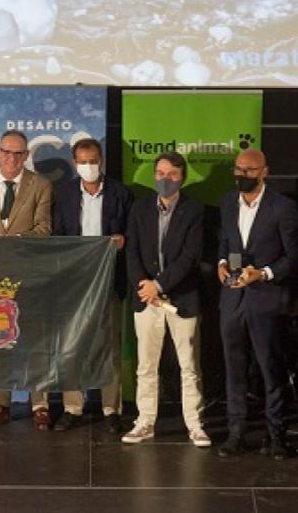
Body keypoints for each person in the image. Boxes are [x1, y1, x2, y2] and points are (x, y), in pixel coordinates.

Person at [215, 149, 298, 460]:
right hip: (232, 299)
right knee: (234, 369)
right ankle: (236, 432)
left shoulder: (283, 207)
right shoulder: (227, 202)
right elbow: (225, 242)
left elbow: (293, 258)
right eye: (238, 169)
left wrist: (263, 274)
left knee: (271, 369)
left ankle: (276, 433)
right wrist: (222, 263)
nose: (242, 175)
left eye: (249, 170)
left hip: (266, 299)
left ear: (264, 171)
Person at [120, 152, 210, 448]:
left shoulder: (194, 211)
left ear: (182, 177)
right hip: (147, 300)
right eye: (159, 173)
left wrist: (159, 284)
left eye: (171, 174)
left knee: (189, 366)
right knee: (146, 366)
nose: (164, 179)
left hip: (182, 298)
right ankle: (145, 421)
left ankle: (195, 425)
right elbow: (131, 252)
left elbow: (190, 257)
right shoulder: (139, 208)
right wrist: (145, 287)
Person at [0, 129, 53, 428]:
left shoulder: (41, 185)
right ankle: (0, 402)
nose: (12, 158)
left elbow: (44, 228)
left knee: (33, 338)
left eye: (18, 153)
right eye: (6, 152)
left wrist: (15, 240)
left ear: (26, 156)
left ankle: (39, 403)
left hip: (28, 271)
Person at [50, 137, 133, 432]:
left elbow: (132, 235)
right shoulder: (63, 194)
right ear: (75, 164)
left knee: (109, 346)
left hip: (109, 280)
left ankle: (112, 409)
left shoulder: (121, 194)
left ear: (102, 161)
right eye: (83, 162)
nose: (89, 167)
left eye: (93, 161)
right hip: (75, 284)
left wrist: (123, 240)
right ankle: (73, 407)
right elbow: (57, 238)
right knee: (73, 345)